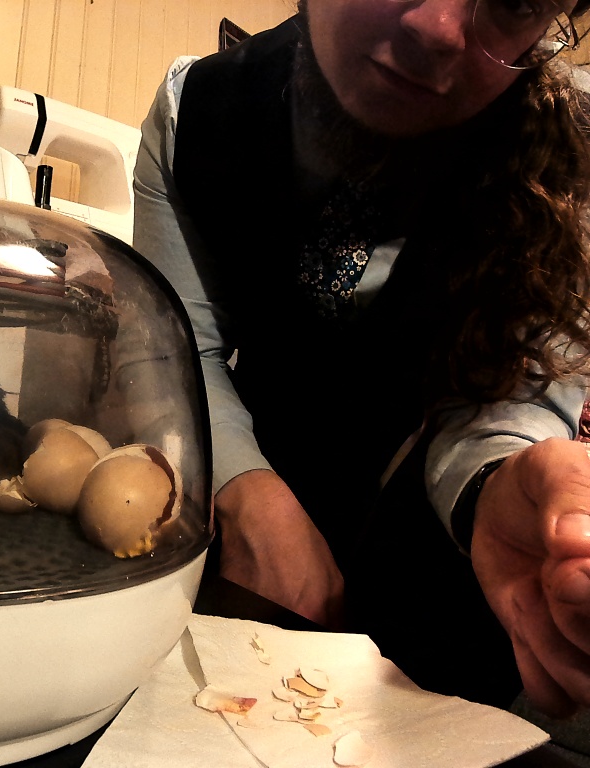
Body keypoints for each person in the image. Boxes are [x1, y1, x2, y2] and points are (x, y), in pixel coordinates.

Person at [133, 0, 590, 716]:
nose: (437, 28)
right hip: (234, 574)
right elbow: (177, 346)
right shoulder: (193, 111)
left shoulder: (575, 154)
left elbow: (511, 399)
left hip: (446, 616)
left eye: (515, 0)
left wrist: (498, 485)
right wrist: (247, 490)